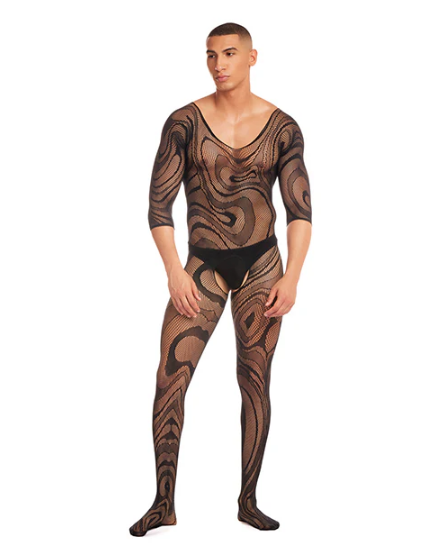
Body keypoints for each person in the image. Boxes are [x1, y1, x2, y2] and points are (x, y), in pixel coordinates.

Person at [129, 21, 312, 536]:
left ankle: (248, 501)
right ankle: (163, 502)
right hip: (202, 264)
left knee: (255, 381)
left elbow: (300, 210)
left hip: (262, 265)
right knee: (170, 378)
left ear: (252, 57)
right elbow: (158, 206)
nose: (219, 65)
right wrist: (173, 271)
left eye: (229, 54)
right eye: (211, 55)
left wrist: (293, 277)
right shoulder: (184, 123)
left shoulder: (282, 127)